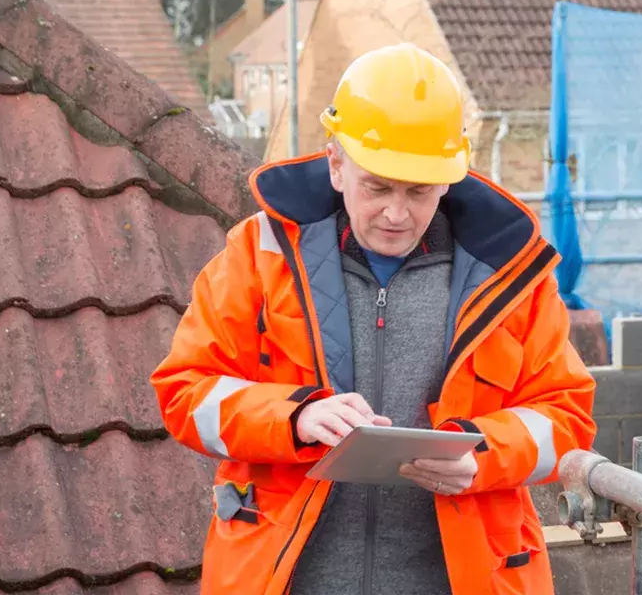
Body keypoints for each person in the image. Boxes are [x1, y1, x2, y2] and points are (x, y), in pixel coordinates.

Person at [150, 43, 596, 595]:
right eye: (377, 186)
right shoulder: (259, 256)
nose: (396, 213)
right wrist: (293, 417)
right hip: (287, 578)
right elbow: (184, 393)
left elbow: (566, 417)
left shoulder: (512, 277)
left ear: (449, 179)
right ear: (336, 165)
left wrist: (480, 452)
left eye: (419, 191)